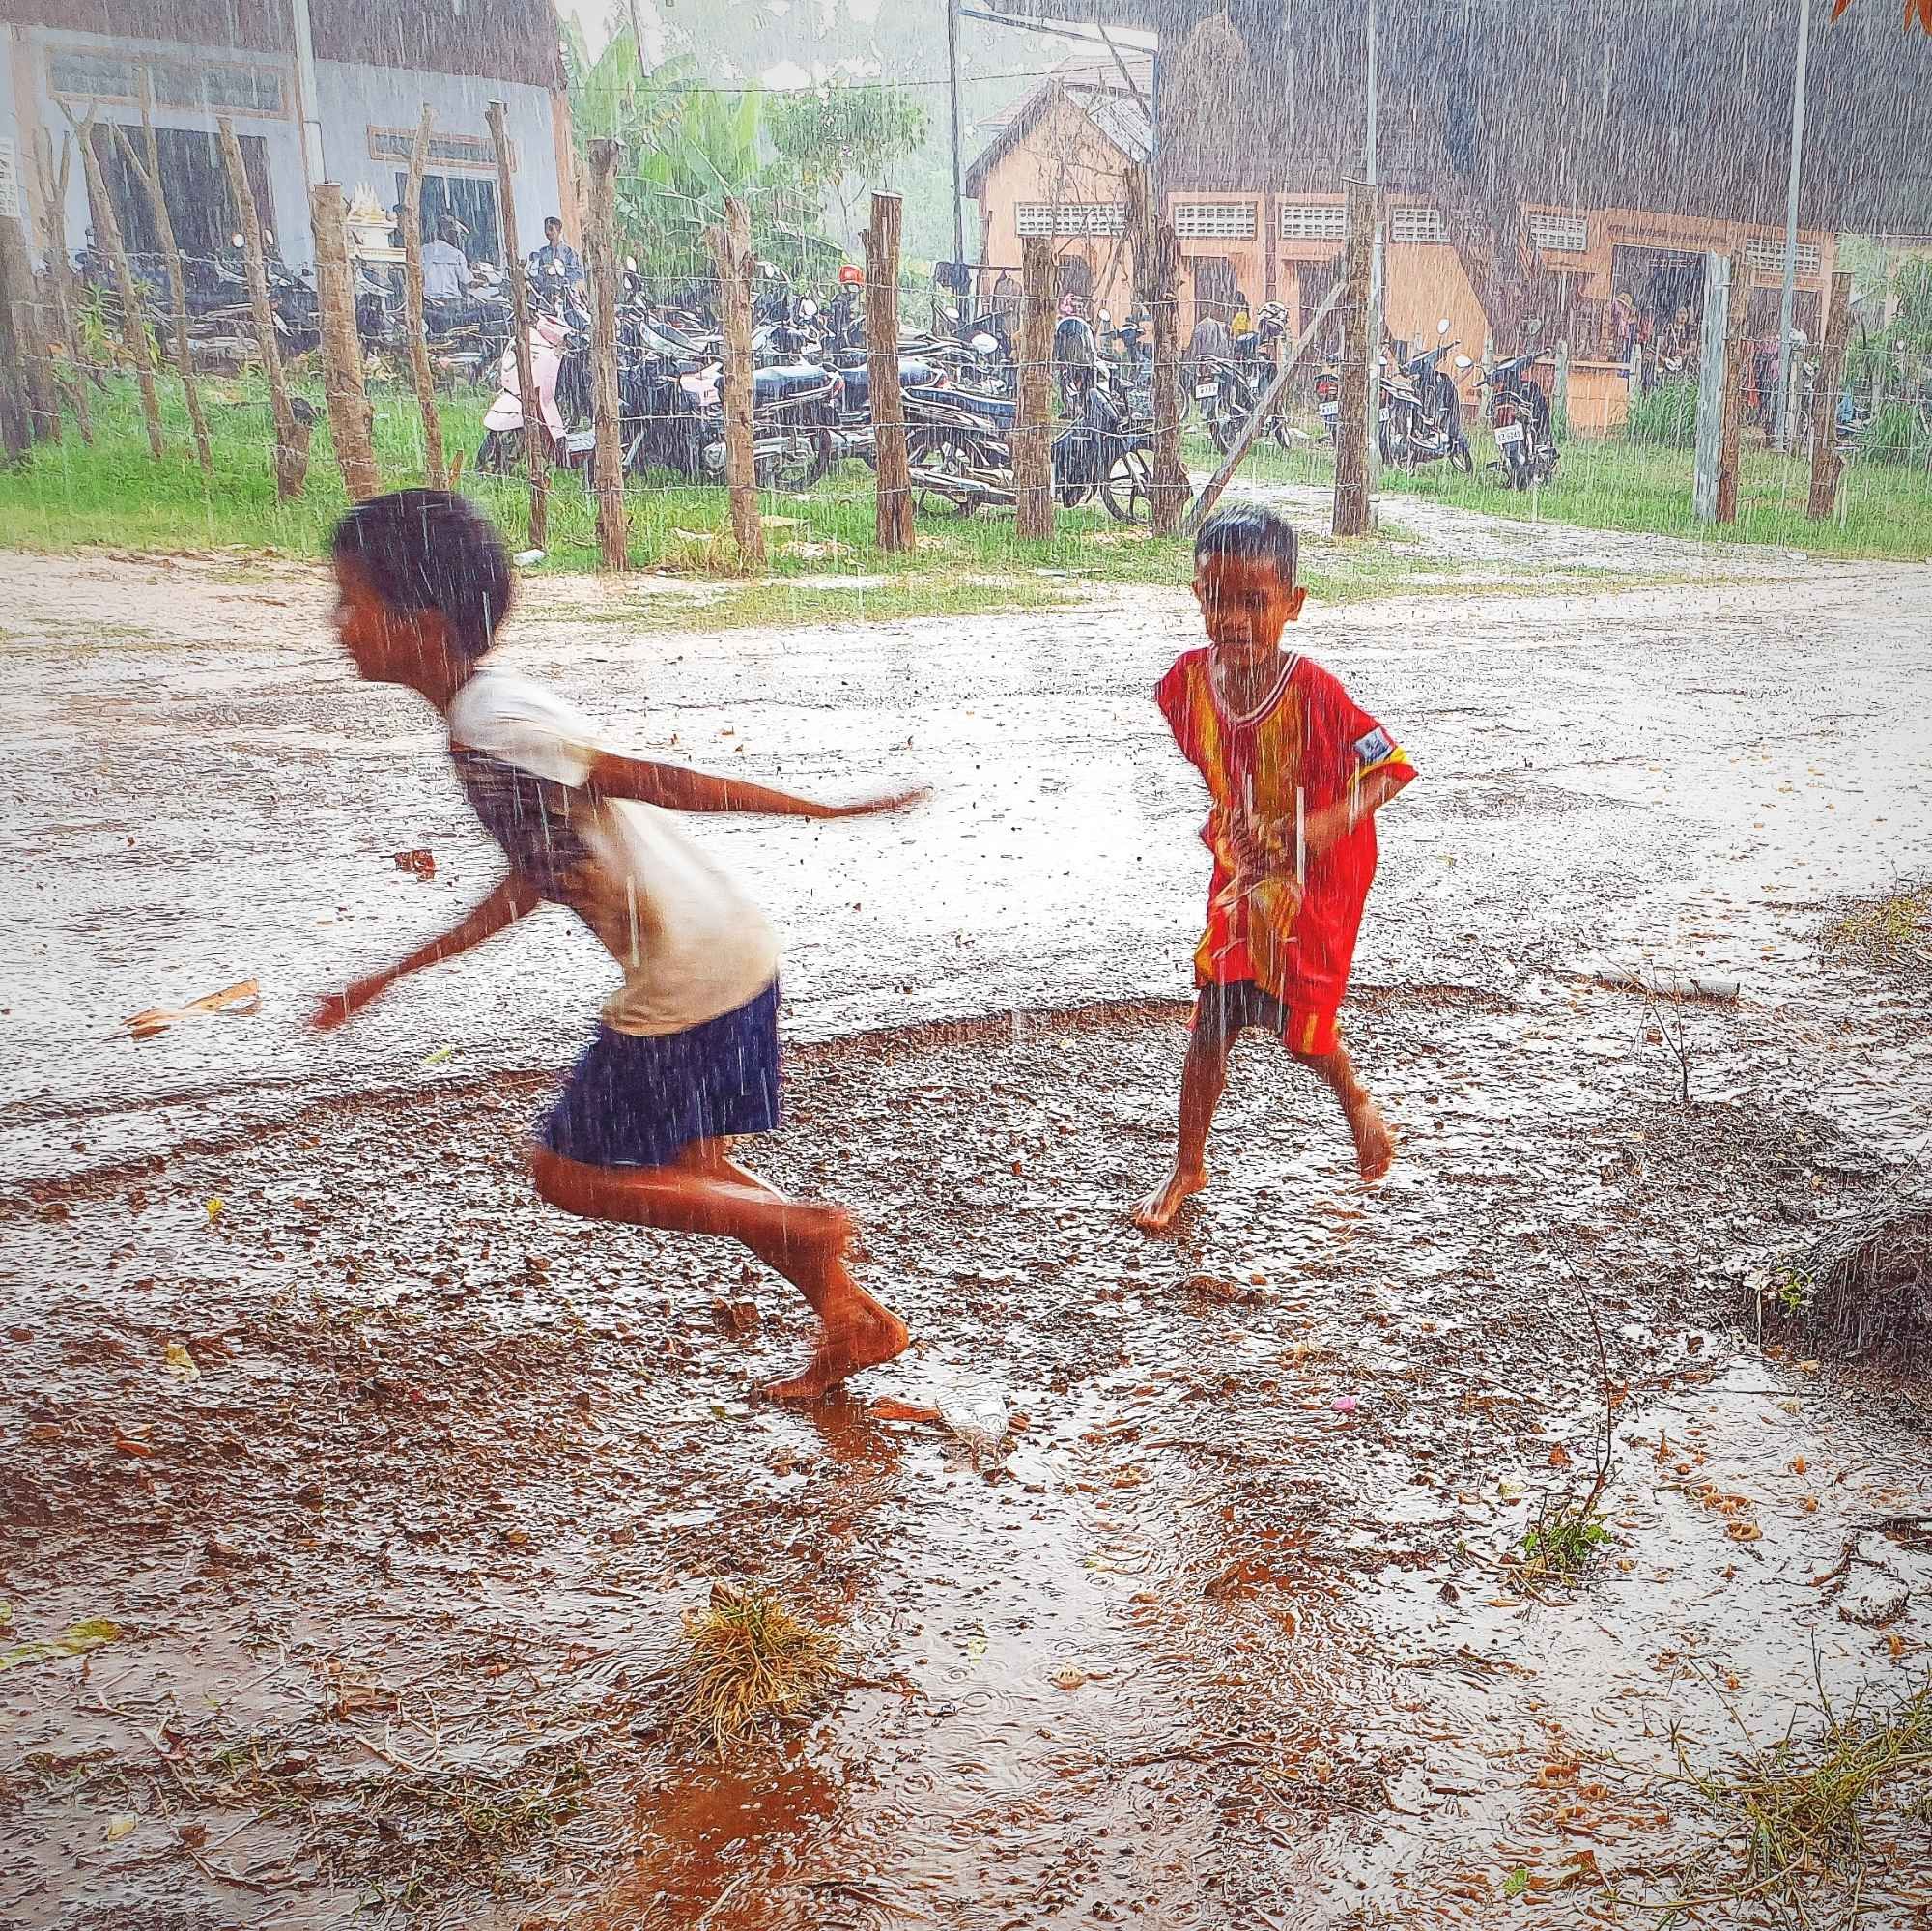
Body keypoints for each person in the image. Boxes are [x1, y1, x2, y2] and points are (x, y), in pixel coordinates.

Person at [313, 490, 923, 1400]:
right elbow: (541, 869)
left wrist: (818, 808)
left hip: (686, 972)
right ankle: (854, 1318)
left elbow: (653, 779)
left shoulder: (491, 721)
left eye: (353, 600)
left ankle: (809, 1223)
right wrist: (402, 970)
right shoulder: (488, 716)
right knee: (696, 1172)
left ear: (423, 621)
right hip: (729, 948)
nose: (340, 625)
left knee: (570, 1173)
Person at [1133, 503, 1415, 1233]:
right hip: (1244, 870)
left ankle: (1351, 1092)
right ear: (1198, 596)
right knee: (1215, 1016)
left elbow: (1388, 767)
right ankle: (1187, 1165)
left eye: (1255, 602)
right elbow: (1222, 762)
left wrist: (1313, 829)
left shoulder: (1316, 693)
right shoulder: (1186, 685)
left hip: (1320, 873)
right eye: (1218, 598)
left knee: (1293, 1023)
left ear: (1292, 604)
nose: (1235, 620)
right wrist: (1239, 821)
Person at [420, 218, 472, 304]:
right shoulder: (457, 254)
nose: (457, 238)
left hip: (429, 300)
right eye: (456, 234)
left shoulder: (424, 250)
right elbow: (465, 279)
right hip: (452, 301)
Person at [526, 215, 583, 289]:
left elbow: (578, 273)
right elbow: (540, 274)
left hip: (565, 293)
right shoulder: (543, 252)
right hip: (546, 293)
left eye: (551, 229)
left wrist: (564, 275)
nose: (548, 232)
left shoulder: (568, 252)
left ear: (559, 231)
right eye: (546, 229)